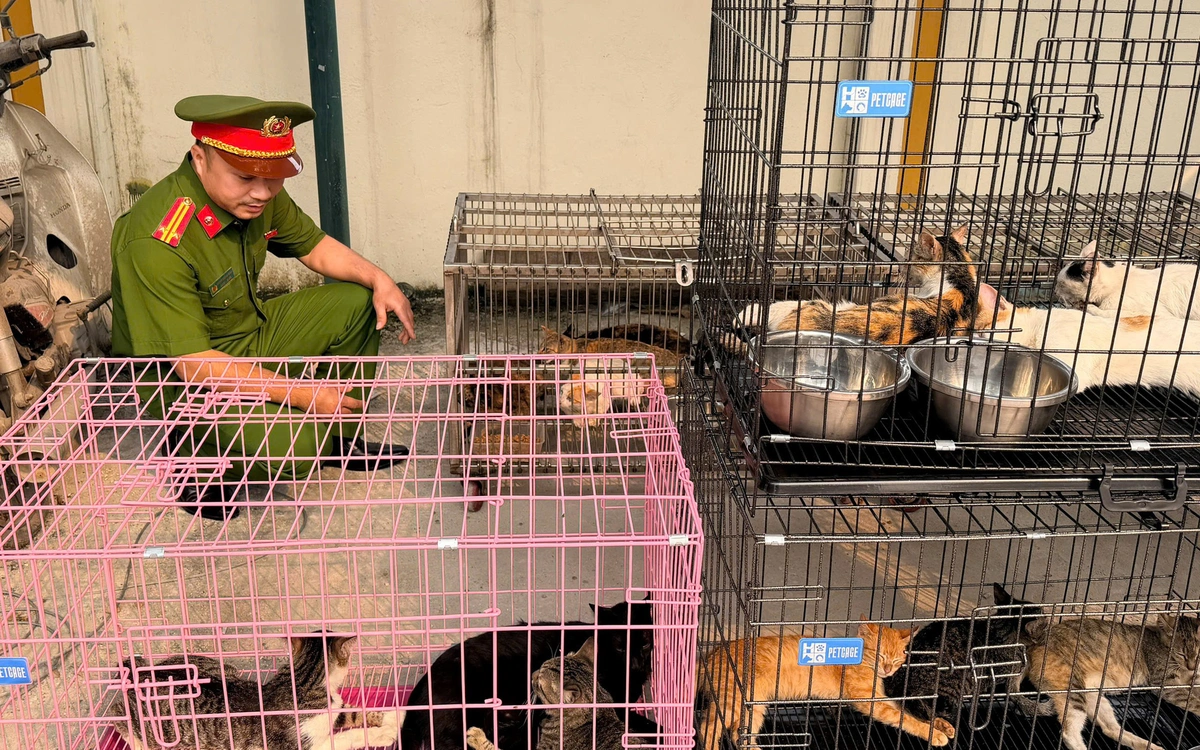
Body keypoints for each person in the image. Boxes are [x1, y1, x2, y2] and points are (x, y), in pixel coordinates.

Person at [109, 95, 415, 520]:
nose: (262, 192)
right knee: (300, 451)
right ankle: (195, 457)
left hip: (248, 340)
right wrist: (303, 393)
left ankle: (339, 437)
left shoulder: (258, 194)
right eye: (245, 177)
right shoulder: (157, 240)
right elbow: (194, 364)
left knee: (361, 300)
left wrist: (379, 278)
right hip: (188, 385)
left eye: (273, 178)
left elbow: (314, 246)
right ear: (200, 159)